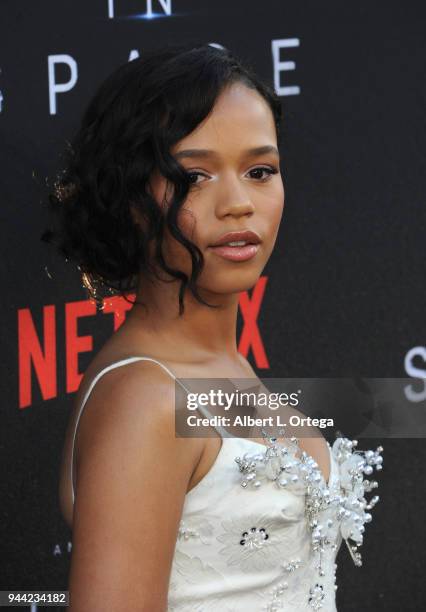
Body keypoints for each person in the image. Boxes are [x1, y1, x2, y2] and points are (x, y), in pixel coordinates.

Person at [42, 43, 383, 611]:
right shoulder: (146, 399)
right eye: (194, 175)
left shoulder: (221, 367)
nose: (238, 203)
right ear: (130, 195)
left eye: (260, 171)